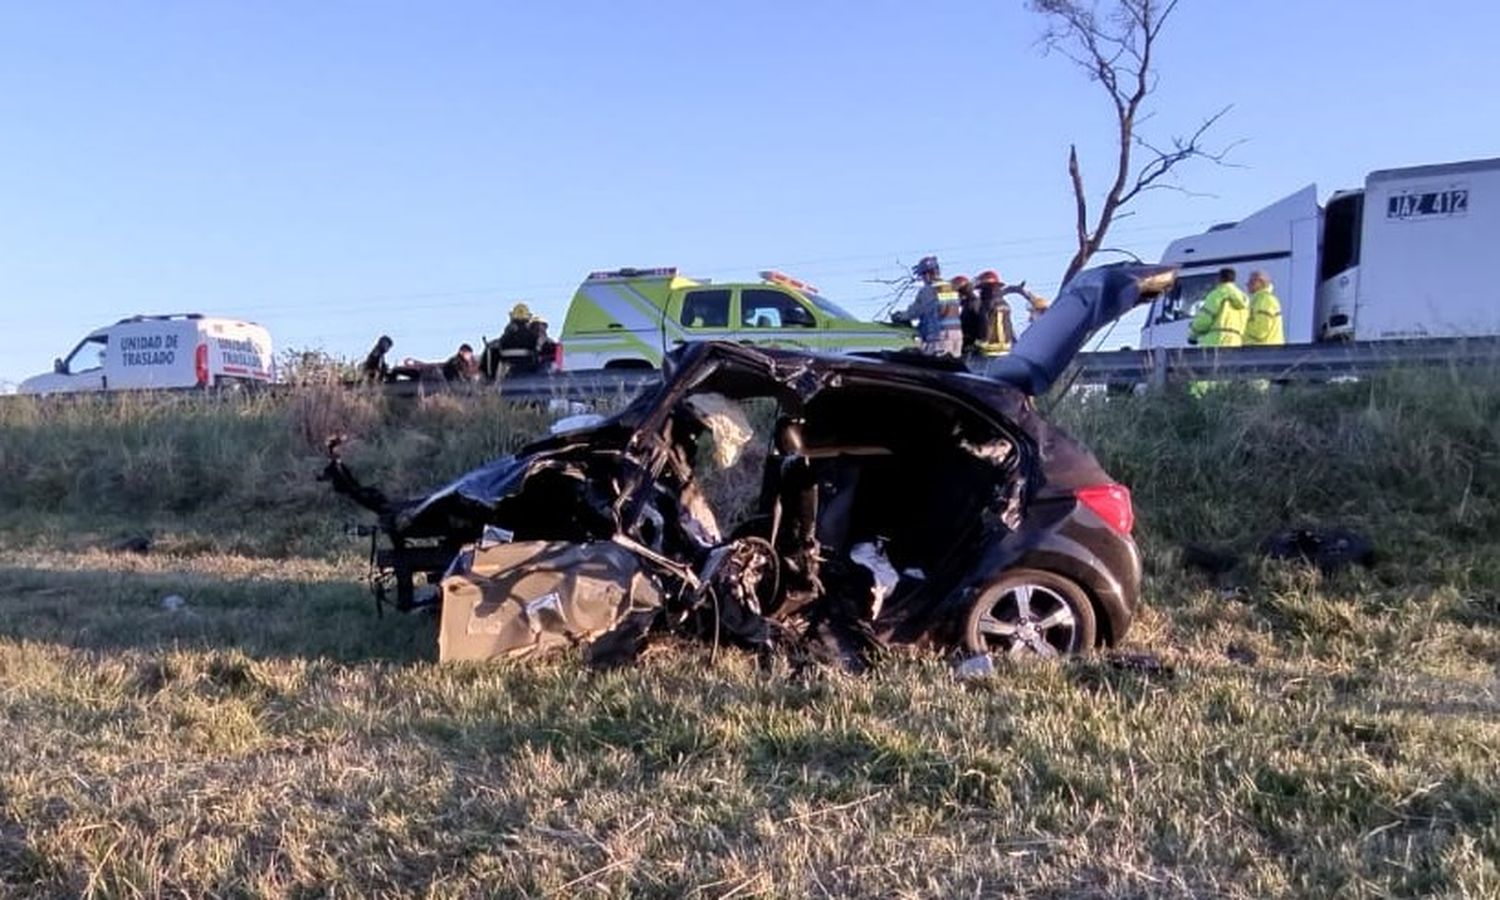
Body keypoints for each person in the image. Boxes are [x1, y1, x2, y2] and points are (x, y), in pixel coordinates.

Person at [900, 256, 964, 357]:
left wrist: (899, 316)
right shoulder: (951, 287)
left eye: (922, 275)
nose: (922, 279)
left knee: (933, 369)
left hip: (939, 339)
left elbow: (914, 312)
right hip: (957, 339)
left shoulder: (929, 290)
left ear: (928, 274)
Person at [1188, 267, 1250, 347]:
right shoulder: (1244, 298)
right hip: (1236, 343)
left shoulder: (1217, 295)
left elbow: (1205, 319)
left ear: (1219, 279)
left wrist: (1193, 335)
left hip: (1215, 342)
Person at [971, 270, 1016, 358]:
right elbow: (1009, 327)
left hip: (990, 351)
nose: (979, 293)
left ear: (985, 288)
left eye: (981, 289)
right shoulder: (1005, 304)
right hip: (1006, 350)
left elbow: (985, 327)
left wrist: (975, 346)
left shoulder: (987, 304)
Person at [1244, 270, 1285, 346]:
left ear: (1260, 283)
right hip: (1263, 350)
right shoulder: (1260, 300)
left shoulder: (1264, 300)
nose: (1247, 284)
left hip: (1262, 350)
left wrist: (1242, 330)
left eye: (1251, 282)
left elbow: (1261, 331)